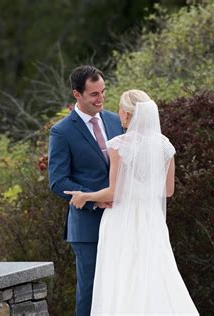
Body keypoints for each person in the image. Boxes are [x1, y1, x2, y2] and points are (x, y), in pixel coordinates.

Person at [65, 90, 199, 315]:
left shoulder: (119, 145)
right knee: (154, 275)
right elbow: (167, 191)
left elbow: (115, 192)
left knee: (121, 277)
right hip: (151, 219)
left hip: (121, 220)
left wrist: (85, 196)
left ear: (127, 114)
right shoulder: (165, 146)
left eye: (120, 109)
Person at [48, 65, 125, 316]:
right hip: (87, 227)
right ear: (76, 95)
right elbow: (58, 181)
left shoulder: (115, 121)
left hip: (122, 221)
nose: (100, 98)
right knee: (90, 292)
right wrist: (94, 200)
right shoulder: (62, 131)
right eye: (94, 94)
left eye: (103, 92)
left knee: (120, 289)